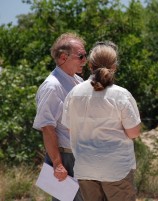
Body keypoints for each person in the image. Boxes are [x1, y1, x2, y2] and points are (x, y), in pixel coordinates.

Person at [61, 41, 141, 201]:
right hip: (116, 169)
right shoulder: (121, 95)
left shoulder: (74, 93)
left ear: (90, 65)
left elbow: (70, 129)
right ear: (114, 67)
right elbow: (133, 133)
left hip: (86, 167)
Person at [33, 32, 86, 201]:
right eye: (81, 56)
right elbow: (47, 128)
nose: (85, 60)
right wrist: (57, 164)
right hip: (65, 157)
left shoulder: (77, 80)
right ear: (63, 57)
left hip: (80, 155)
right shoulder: (52, 86)